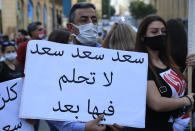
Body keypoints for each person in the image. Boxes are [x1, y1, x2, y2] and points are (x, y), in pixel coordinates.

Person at [124, 15, 195, 131]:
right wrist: (185, 100)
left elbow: (177, 85)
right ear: (142, 37)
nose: (160, 35)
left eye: (163, 31)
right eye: (154, 32)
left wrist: (189, 68)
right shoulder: (140, 65)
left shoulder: (166, 61)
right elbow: (156, 103)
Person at [48, 2, 106, 131]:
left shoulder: (111, 58)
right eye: (84, 20)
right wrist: (82, 127)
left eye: (94, 20)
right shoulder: (56, 60)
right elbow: (50, 105)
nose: (90, 24)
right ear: (70, 27)